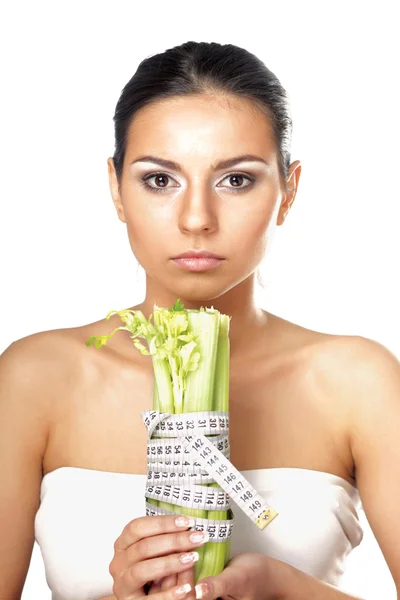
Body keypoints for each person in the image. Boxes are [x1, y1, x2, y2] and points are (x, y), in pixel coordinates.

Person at [1, 40, 399, 600]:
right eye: (159, 179)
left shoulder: (359, 381)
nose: (196, 219)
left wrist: (286, 589)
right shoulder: (33, 376)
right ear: (116, 188)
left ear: (288, 190)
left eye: (236, 179)